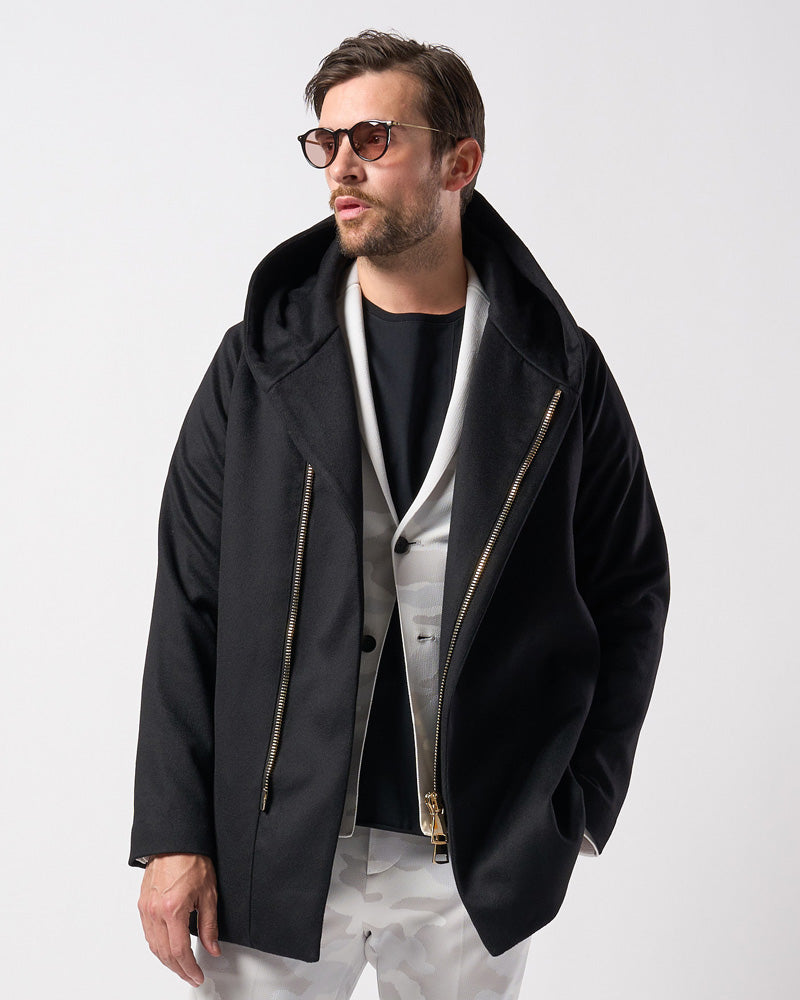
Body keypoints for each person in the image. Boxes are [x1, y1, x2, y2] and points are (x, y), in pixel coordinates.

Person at [130, 29, 670, 999]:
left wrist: (578, 805)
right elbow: (188, 601)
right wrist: (173, 833)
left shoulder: (556, 373)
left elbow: (630, 585)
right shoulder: (256, 365)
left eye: (373, 138)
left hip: (475, 856)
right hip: (276, 842)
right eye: (325, 141)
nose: (340, 165)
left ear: (459, 162)